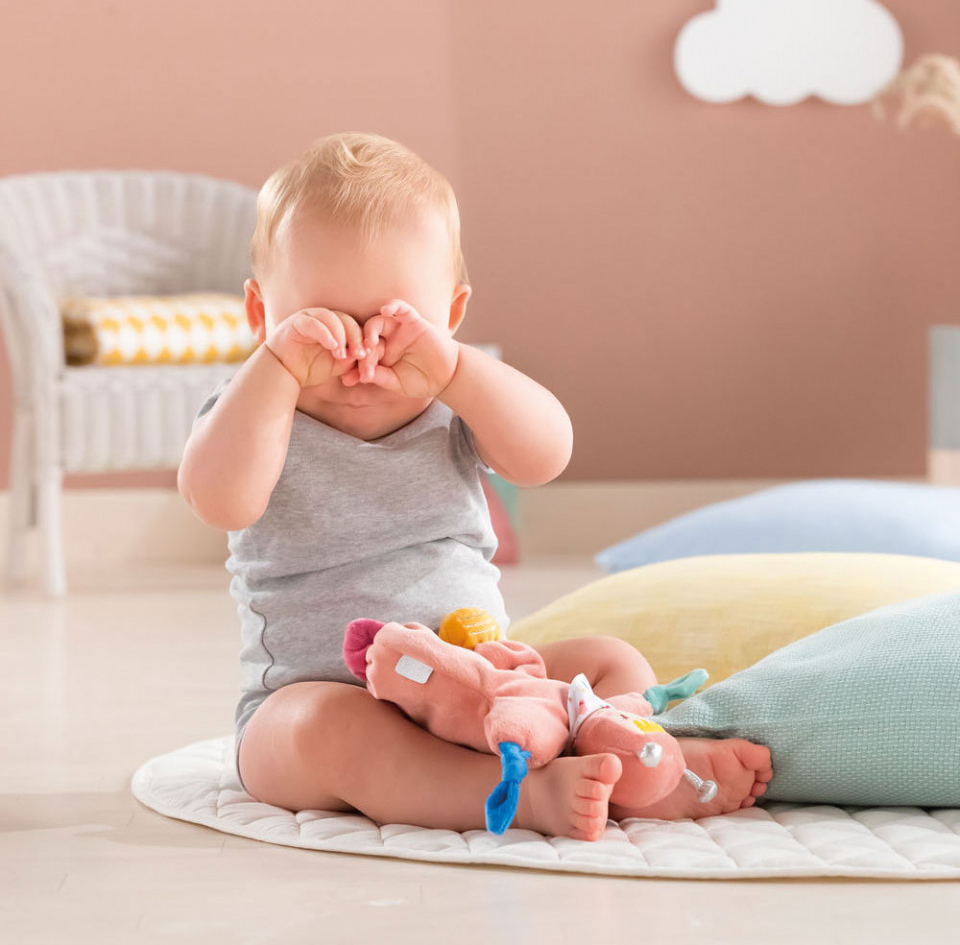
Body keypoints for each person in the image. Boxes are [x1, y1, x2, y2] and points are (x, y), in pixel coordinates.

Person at [177, 132, 772, 841]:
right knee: (321, 731)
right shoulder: (256, 413)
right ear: (261, 316)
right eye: (321, 327)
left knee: (609, 660)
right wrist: (277, 368)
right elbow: (220, 499)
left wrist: (455, 370)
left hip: (485, 685)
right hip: (328, 692)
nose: (359, 357)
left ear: (451, 315)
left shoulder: (452, 406)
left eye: (392, 326)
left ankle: (642, 760)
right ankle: (521, 796)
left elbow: (547, 453)